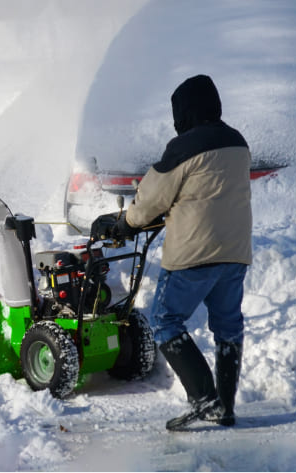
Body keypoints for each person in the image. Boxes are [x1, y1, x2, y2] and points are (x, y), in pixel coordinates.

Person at [109, 74, 252, 431]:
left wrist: (126, 222)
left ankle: (205, 398)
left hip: (194, 253)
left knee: (165, 320)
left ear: (185, 112)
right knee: (228, 326)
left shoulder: (183, 148)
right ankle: (225, 406)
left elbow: (151, 200)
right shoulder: (237, 142)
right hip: (234, 253)